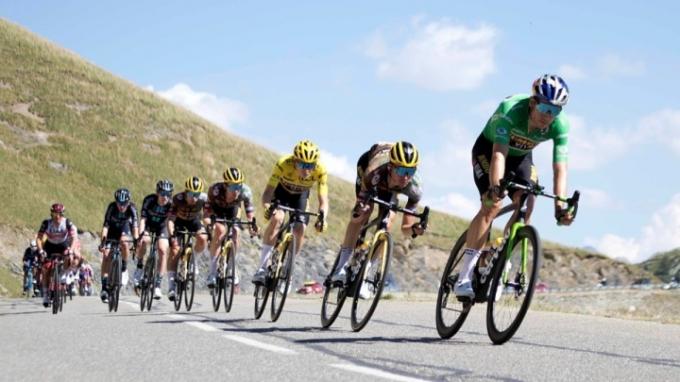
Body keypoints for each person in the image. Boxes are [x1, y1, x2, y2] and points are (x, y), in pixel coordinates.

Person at [454, 74, 576, 298]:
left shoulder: (561, 125)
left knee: (528, 200)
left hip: (521, 157)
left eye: (555, 110)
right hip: (489, 151)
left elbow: (560, 168)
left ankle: (500, 255)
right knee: (492, 204)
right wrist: (495, 187)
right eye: (545, 108)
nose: (549, 116)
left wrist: (560, 206)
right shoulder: (510, 110)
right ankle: (464, 275)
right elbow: (499, 154)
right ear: (533, 102)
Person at [330, 141, 426, 283]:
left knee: (387, 224)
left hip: (390, 188)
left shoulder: (415, 188)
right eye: (400, 170)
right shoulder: (373, 172)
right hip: (370, 172)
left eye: (410, 171)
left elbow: (405, 229)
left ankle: (366, 272)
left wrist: (414, 229)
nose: (405, 177)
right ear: (390, 167)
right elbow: (355, 214)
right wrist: (359, 210)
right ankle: (341, 266)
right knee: (364, 214)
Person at [253, 140, 328, 284]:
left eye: (310, 166)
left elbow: (323, 200)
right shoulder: (284, 164)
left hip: (300, 196)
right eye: (302, 165)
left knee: (300, 228)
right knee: (278, 218)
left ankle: (289, 268)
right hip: (281, 194)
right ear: (294, 161)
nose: (306, 170)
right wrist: (267, 207)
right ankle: (262, 267)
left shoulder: (320, 170)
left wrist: (323, 218)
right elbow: (268, 192)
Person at [205, 168, 258, 288]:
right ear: (225, 186)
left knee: (236, 232)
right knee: (219, 231)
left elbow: (249, 212)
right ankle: (212, 273)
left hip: (233, 211)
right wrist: (209, 224)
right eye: (233, 187)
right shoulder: (215, 190)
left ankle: (231, 267)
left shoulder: (245, 191)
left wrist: (252, 225)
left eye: (238, 186)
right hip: (216, 211)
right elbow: (207, 211)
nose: (236, 191)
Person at [166, 176, 208, 301]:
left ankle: (194, 262)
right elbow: (170, 220)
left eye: (196, 194)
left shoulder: (204, 199)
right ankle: (171, 285)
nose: (194, 198)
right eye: (190, 194)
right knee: (175, 250)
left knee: (203, 238)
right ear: (185, 192)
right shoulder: (177, 199)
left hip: (193, 221)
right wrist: (172, 235)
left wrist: (209, 229)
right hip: (178, 222)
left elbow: (207, 215)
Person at [132, 179, 174, 300]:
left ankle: (157, 285)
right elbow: (143, 219)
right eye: (162, 194)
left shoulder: (171, 204)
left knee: (162, 249)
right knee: (144, 241)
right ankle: (139, 268)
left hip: (162, 227)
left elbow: (171, 221)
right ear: (157, 193)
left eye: (168, 194)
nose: (165, 197)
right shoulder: (149, 200)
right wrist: (140, 235)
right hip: (149, 225)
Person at [98, 188, 139, 303]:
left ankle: (124, 267)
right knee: (106, 255)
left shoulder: (132, 208)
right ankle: (104, 287)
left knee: (124, 243)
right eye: (119, 203)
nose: (121, 206)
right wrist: (103, 242)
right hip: (111, 231)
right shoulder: (111, 207)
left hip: (124, 229)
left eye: (124, 204)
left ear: (128, 202)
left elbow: (135, 226)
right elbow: (105, 226)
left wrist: (136, 240)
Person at [36, 203, 77, 307]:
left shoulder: (67, 223)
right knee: (46, 268)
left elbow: (73, 238)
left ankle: (64, 274)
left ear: (62, 214)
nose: (57, 217)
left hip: (63, 245)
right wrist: (41, 250)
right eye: (54, 214)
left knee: (69, 257)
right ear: (51, 214)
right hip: (50, 245)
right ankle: (45, 295)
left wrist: (71, 250)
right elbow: (39, 238)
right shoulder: (46, 223)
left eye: (59, 214)